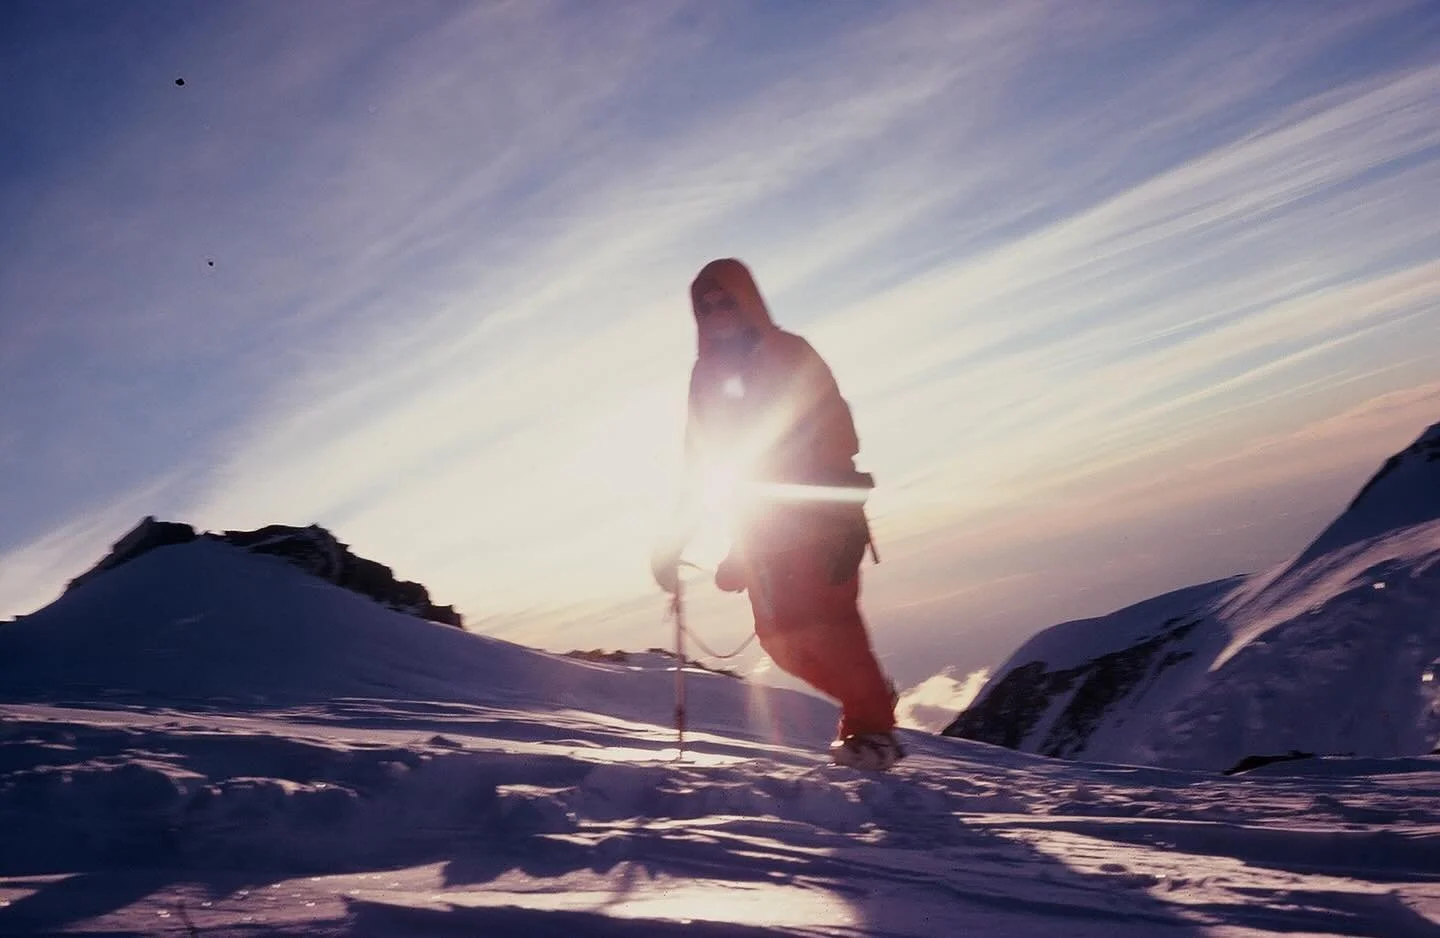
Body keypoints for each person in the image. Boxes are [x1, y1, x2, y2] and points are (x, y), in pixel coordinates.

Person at [651, 258, 903, 770]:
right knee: (781, 640)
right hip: (760, 528)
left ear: (748, 300)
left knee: (829, 626)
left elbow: (838, 431)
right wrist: (675, 541)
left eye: (726, 299)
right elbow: (699, 460)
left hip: (820, 518)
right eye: (707, 304)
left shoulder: (789, 352)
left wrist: (831, 503)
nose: (718, 310)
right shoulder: (705, 376)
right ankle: (870, 700)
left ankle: (872, 731)